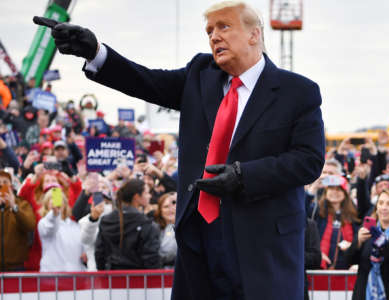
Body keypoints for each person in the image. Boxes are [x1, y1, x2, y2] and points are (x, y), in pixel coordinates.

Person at [37, 1, 325, 299]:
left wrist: (243, 176)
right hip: (200, 243)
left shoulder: (297, 92)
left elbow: (308, 160)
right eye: (209, 30)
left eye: (223, 26)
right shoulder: (200, 74)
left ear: (254, 34)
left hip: (262, 249)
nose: (214, 36)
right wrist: (95, 51)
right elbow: (144, 80)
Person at [345, 186, 389, 300]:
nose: (384, 207)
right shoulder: (368, 230)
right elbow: (348, 260)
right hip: (364, 293)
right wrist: (358, 242)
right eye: (381, 203)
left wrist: (383, 244)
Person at [95, 179, 160, 270]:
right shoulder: (146, 223)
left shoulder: (106, 220)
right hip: (139, 279)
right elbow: (151, 258)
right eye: (147, 193)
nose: (150, 196)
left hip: (111, 278)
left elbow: (99, 254)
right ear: (137, 197)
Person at [311, 175, 359, 269]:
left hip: (345, 268)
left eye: (338, 189)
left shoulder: (353, 215)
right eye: (331, 188)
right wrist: (313, 188)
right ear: (326, 192)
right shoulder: (316, 211)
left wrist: (351, 246)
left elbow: (358, 241)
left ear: (345, 193)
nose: (334, 192)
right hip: (319, 267)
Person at [38, 187, 86, 272]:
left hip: (75, 277)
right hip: (53, 278)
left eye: (60, 199)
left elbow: (83, 250)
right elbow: (51, 227)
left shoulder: (75, 226)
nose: (57, 202)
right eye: (52, 199)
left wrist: (86, 255)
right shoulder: (44, 223)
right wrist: (54, 213)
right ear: (46, 204)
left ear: (65, 203)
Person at [0, 170, 36, 271]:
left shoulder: (22, 204)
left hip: (16, 266)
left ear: (11, 186)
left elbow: (30, 225)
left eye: (5, 183)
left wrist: (14, 207)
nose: (2, 186)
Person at [154, 192, 178, 268]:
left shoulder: (189, 227)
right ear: (160, 211)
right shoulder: (154, 229)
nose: (171, 209)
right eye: (166, 207)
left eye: (174, 204)